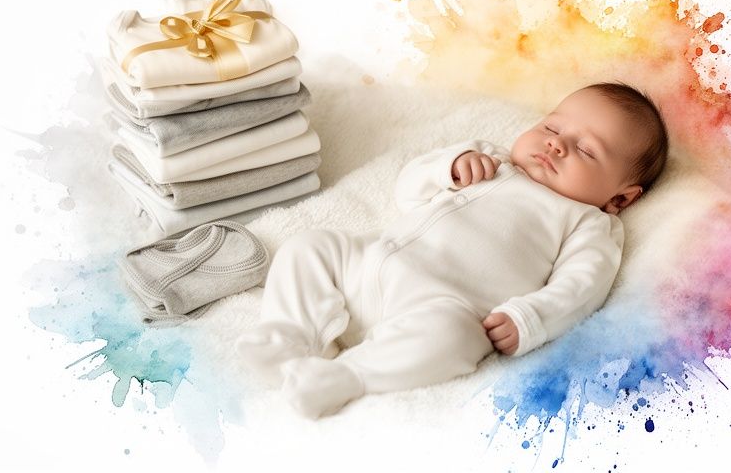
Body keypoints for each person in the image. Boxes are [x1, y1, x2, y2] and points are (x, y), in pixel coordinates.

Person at [236, 82, 669, 418]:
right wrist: (449, 168)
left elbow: (582, 287)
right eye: (552, 128)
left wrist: (530, 317)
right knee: (310, 247)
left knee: (456, 339)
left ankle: (345, 375)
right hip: (370, 264)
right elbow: (408, 191)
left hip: (442, 305)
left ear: (621, 199)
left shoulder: (588, 222)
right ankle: (291, 339)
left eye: (587, 151)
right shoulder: (487, 160)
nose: (556, 144)